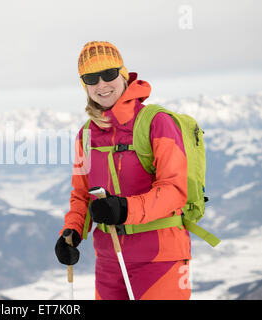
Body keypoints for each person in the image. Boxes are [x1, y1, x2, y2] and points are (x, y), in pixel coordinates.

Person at [54, 41, 191, 300]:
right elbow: (82, 197)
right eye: (91, 78)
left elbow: (174, 190)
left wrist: (125, 209)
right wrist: (70, 233)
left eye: (108, 74)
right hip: (109, 261)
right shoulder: (86, 135)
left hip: (160, 260)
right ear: (84, 85)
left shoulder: (156, 122)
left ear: (123, 74)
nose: (102, 84)